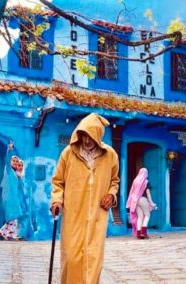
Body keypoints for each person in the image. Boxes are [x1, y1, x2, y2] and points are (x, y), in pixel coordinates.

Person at [50, 112, 120, 284]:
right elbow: (58, 182)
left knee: (93, 259)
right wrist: (57, 200)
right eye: (83, 136)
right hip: (73, 215)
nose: (87, 141)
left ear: (98, 135)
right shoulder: (68, 153)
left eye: (90, 136)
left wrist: (111, 195)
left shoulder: (110, 155)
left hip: (97, 215)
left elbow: (114, 181)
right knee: (72, 258)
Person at [0, 143, 23, 240]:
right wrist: (9, 150)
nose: (15, 162)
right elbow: (7, 161)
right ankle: (8, 234)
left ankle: (3, 232)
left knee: (13, 215)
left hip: (13, 197)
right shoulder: (8, 170)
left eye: (16, 161)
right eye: (14, 161)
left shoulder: (15, 173)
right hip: (9, 197)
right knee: (13, 215)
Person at [126, 168, 157, 239]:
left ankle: (139, 233)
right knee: (147, 215)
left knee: (140, 216)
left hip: (135, 200)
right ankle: (144, 232)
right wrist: (151, 203)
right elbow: (148, 193)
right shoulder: (145, 181)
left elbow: (132, 192)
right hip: (142, 199)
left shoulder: (135, 181)